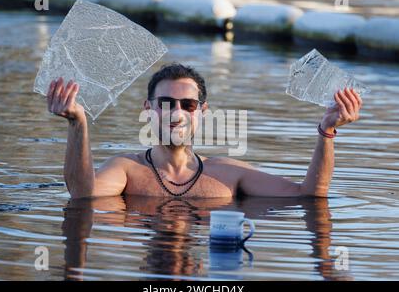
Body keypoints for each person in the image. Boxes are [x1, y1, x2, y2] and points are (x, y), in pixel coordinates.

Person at [47, 63, 363, 199]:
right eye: (166, 102)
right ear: (148, 108)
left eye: (188, 104)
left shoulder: (228, 174)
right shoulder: (126, 169)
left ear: (202, 111)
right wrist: (78, 123)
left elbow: (308, 195)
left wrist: (327, 132)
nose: (176, 113)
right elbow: (83, 193)